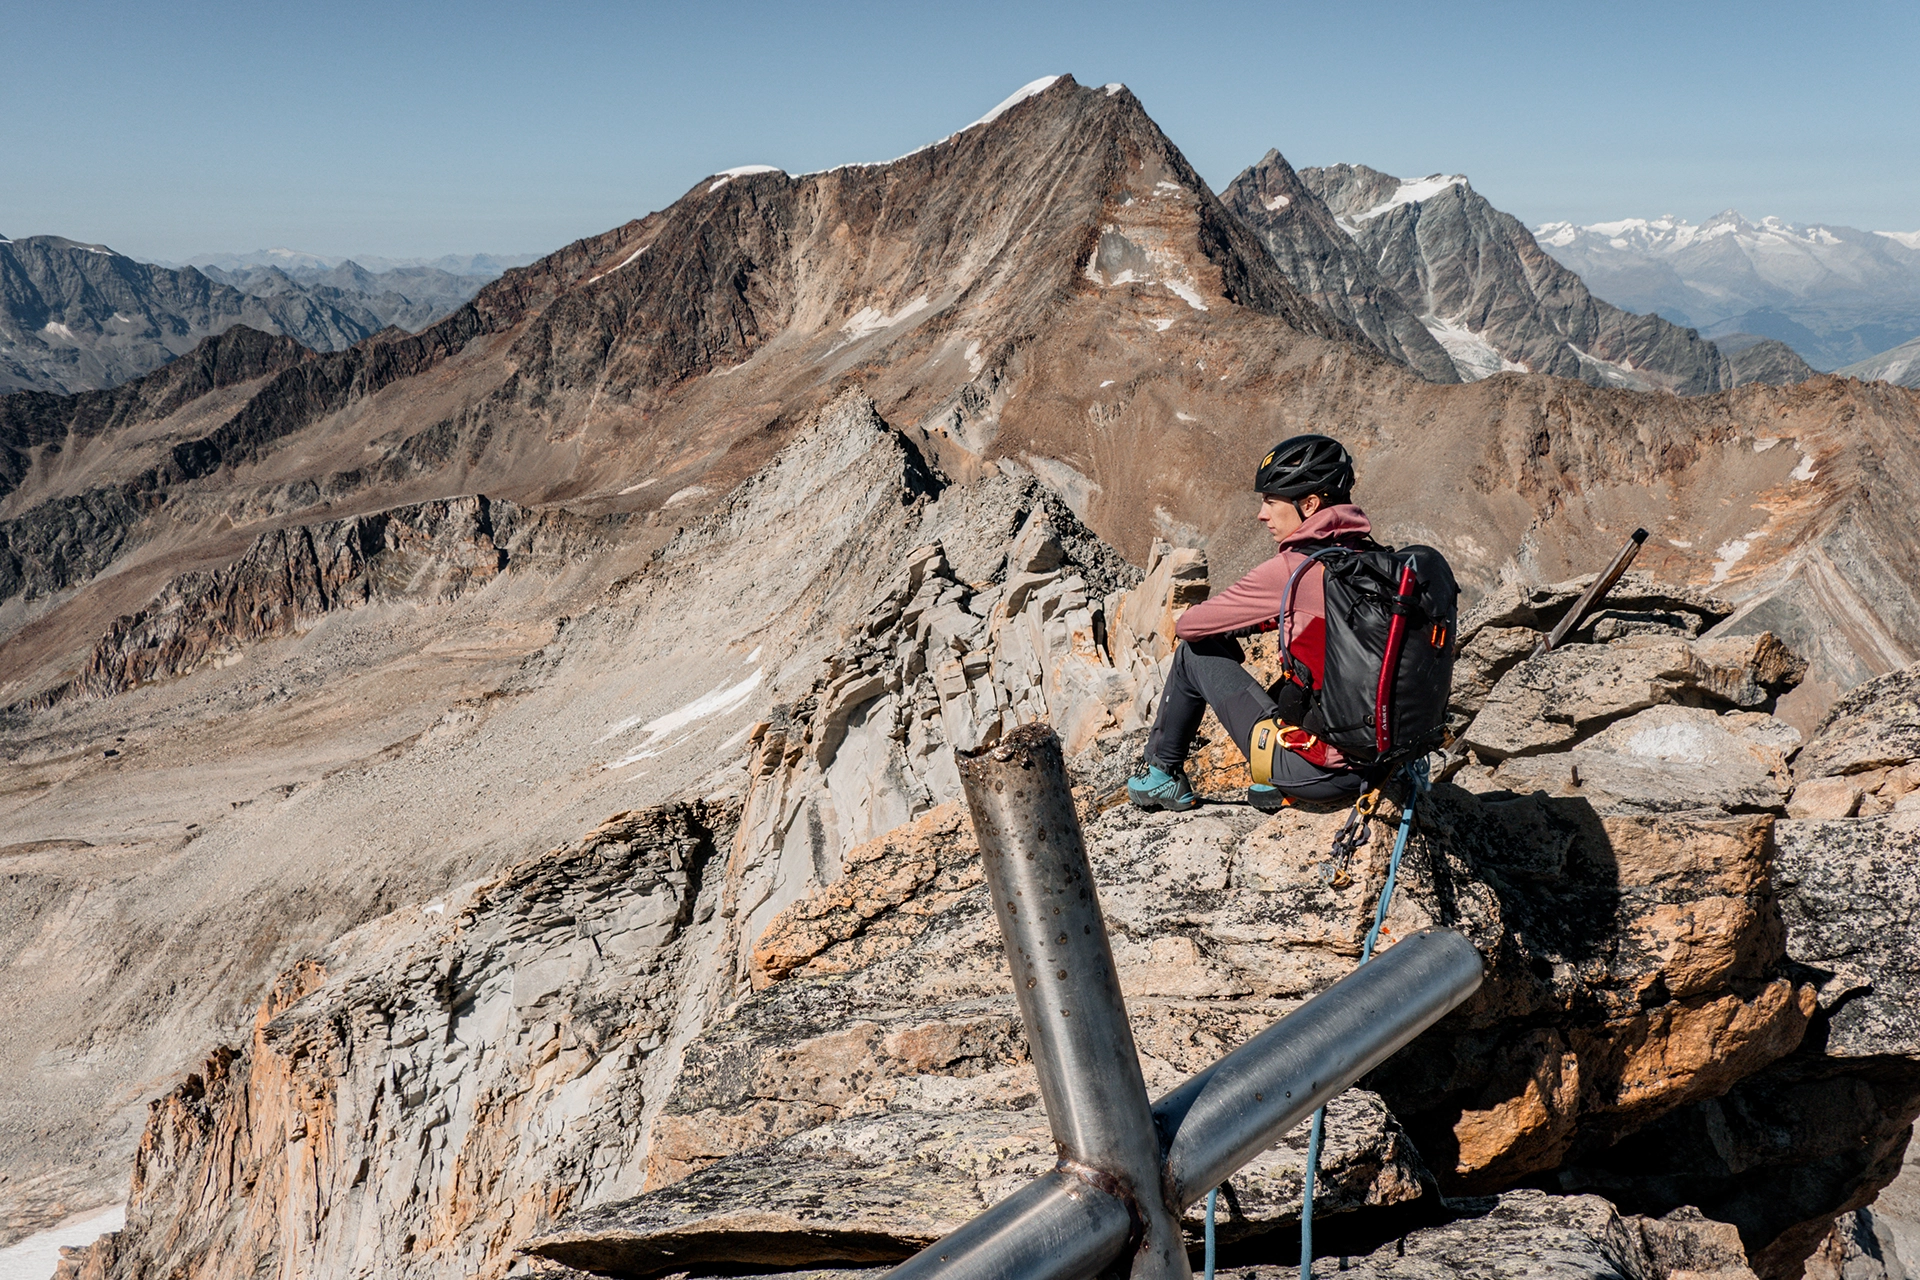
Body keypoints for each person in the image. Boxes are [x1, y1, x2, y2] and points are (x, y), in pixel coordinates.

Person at [1127, 434, 1375, 813]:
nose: (1262, 514)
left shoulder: (1298, 567)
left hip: (1321, 773)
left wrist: (1230, 627)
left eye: (1271, 502)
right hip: (1382, 761)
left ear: (1309, 504)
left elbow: (1191, 625)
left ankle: (1162, 774)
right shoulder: (1371, 559)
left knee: (1194, 653)